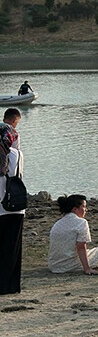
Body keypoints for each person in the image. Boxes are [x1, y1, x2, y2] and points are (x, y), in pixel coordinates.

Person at [48, 195, 98, 274]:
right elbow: (81, 247)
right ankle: (95, 264)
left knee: (91, 251)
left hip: (54, 265)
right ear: (75, 209)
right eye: (83, 207)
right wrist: (87, 269)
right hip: (70, 265)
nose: (86, 210)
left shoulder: (58, 223)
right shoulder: (81, 222)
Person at [0, 108, 24, 294]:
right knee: (12, 247)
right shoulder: (15, 155)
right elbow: (18, 175)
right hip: (11, 207)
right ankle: (9, 285)